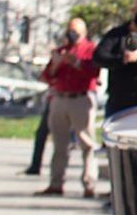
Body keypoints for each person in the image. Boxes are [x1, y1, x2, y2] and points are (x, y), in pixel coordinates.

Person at [33, 19, 99, 198]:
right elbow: (46, 76)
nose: (71, 35)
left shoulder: (90, 49)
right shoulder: (61, 50)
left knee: (87, 143)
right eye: (69, 31)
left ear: (83, 33)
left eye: (75, 32)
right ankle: (56, 183)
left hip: (81, 98)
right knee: (59, 144)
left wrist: (76, 62)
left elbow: (95, 72)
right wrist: (57, 63)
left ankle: (89, 183)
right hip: (60, 98)